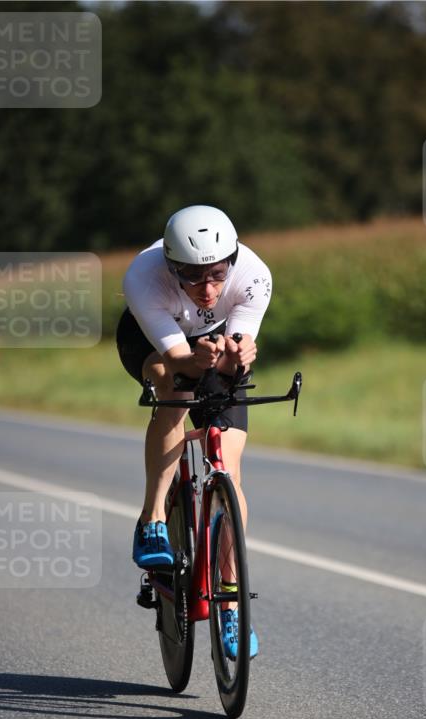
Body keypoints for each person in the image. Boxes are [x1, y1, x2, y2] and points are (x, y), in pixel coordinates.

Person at [116, 205, 272, 658]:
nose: (207, 288)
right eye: (191, 275)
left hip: (215, 341)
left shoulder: (254, 275)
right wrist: (196, 360)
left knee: (230, 468)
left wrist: (236, 357)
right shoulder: (143, 278)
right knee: (175, 388)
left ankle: (232, 605)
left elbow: (236, 351)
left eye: (218, 274)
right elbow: (178, 360)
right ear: (171, 266)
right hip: (153, 343)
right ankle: (152, 521)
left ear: (232, 262)